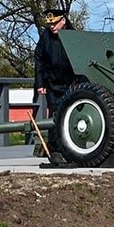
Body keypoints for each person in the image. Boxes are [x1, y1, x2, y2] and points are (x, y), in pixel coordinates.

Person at [34, 8, 77, 156]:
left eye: (55, 23)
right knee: (54, 115)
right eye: (50, 24)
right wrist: (40, 83)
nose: (52, 27)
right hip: (52, 84)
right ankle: (55, 149)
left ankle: (71, 147)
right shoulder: (45, 37)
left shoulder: (73, 36)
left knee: (70, 115)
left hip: (70, 84)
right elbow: (39, 58)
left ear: (63, 20)